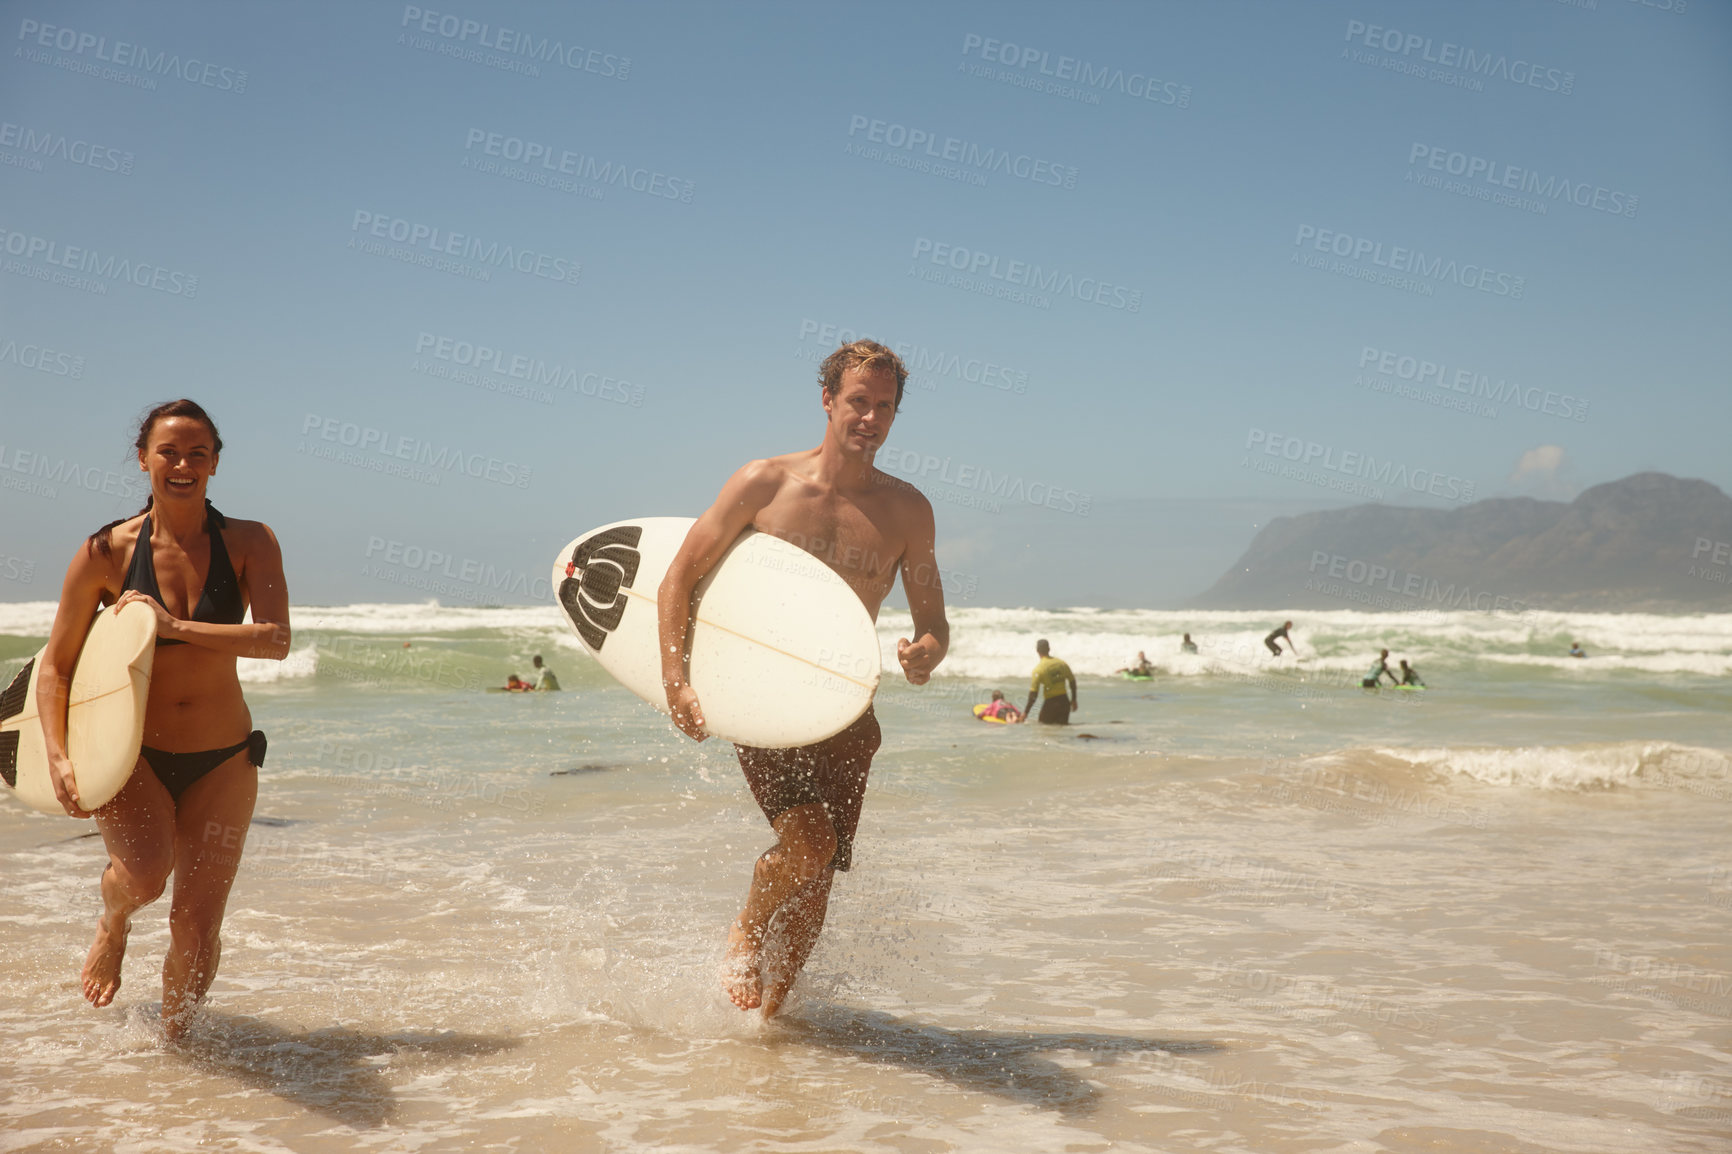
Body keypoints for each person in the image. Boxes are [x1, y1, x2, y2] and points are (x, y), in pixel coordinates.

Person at [657, 340, 948, 1018]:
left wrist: (924, 653)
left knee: (817, 881)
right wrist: (677, 678)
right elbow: (679, 576)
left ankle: (768, 1033)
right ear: (827, 400)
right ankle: (746, 930)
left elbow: (933, 622)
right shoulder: (764, 483)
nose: (869, 418)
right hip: (763, 697)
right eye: (857, 402)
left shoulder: (909, 512)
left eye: (884, 407)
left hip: (848, 711)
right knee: (807, 842)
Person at [38, 400, 289, 1039]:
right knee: (144, 877)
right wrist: (62, 756)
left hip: (224, 756)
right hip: (131, 756)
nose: (182, 464)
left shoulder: (249, 542)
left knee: (197, 924)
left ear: (214, 464)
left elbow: (275, 640)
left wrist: (175, 626)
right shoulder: (105, 551)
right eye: (169, 452)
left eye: (197, 453)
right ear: (144, 458)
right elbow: (57, 669)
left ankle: (179, 1052)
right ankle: (113, 923)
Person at [1023, 639, 1078, 725]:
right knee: (1062, 731)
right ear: (1049, 649)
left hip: (1051, 704)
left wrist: (1025, 713)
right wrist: (1074, 700)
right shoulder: (1061, 663)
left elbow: (1033, 695)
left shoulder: (1039, 669)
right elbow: (1072, 681)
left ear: (1037, 651)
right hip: (1064, 703)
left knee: (1044, 729)